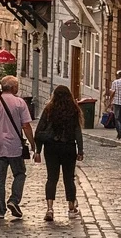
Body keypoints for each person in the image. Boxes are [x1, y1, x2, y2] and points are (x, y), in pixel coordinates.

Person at [0, 75, 35, 220]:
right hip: (14, 146)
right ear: (13, 88)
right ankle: (14, 200)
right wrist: (33, 143)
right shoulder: (20, 103)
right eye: (17, 86)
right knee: (20, 173)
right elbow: (26, 126)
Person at [35, 85, 86, 221]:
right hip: (68, 148)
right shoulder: (73, 110)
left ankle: (50, 208)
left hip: (51, 147)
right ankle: (71, 207)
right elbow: (77, 132)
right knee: (69, 178)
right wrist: (80, 150)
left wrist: (38, 150)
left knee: (52, 178)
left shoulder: (49, 110)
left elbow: (39, 130)